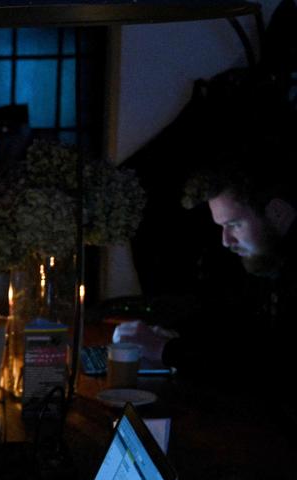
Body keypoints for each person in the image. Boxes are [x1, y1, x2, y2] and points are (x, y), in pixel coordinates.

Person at [113, 151, 295, 375]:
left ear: (277, 213)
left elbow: (272, 365)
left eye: (235, 224)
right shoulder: (262, 266)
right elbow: (238, 338)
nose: (226, 241)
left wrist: (164, 350)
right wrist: (172, 339)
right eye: (221, 227)